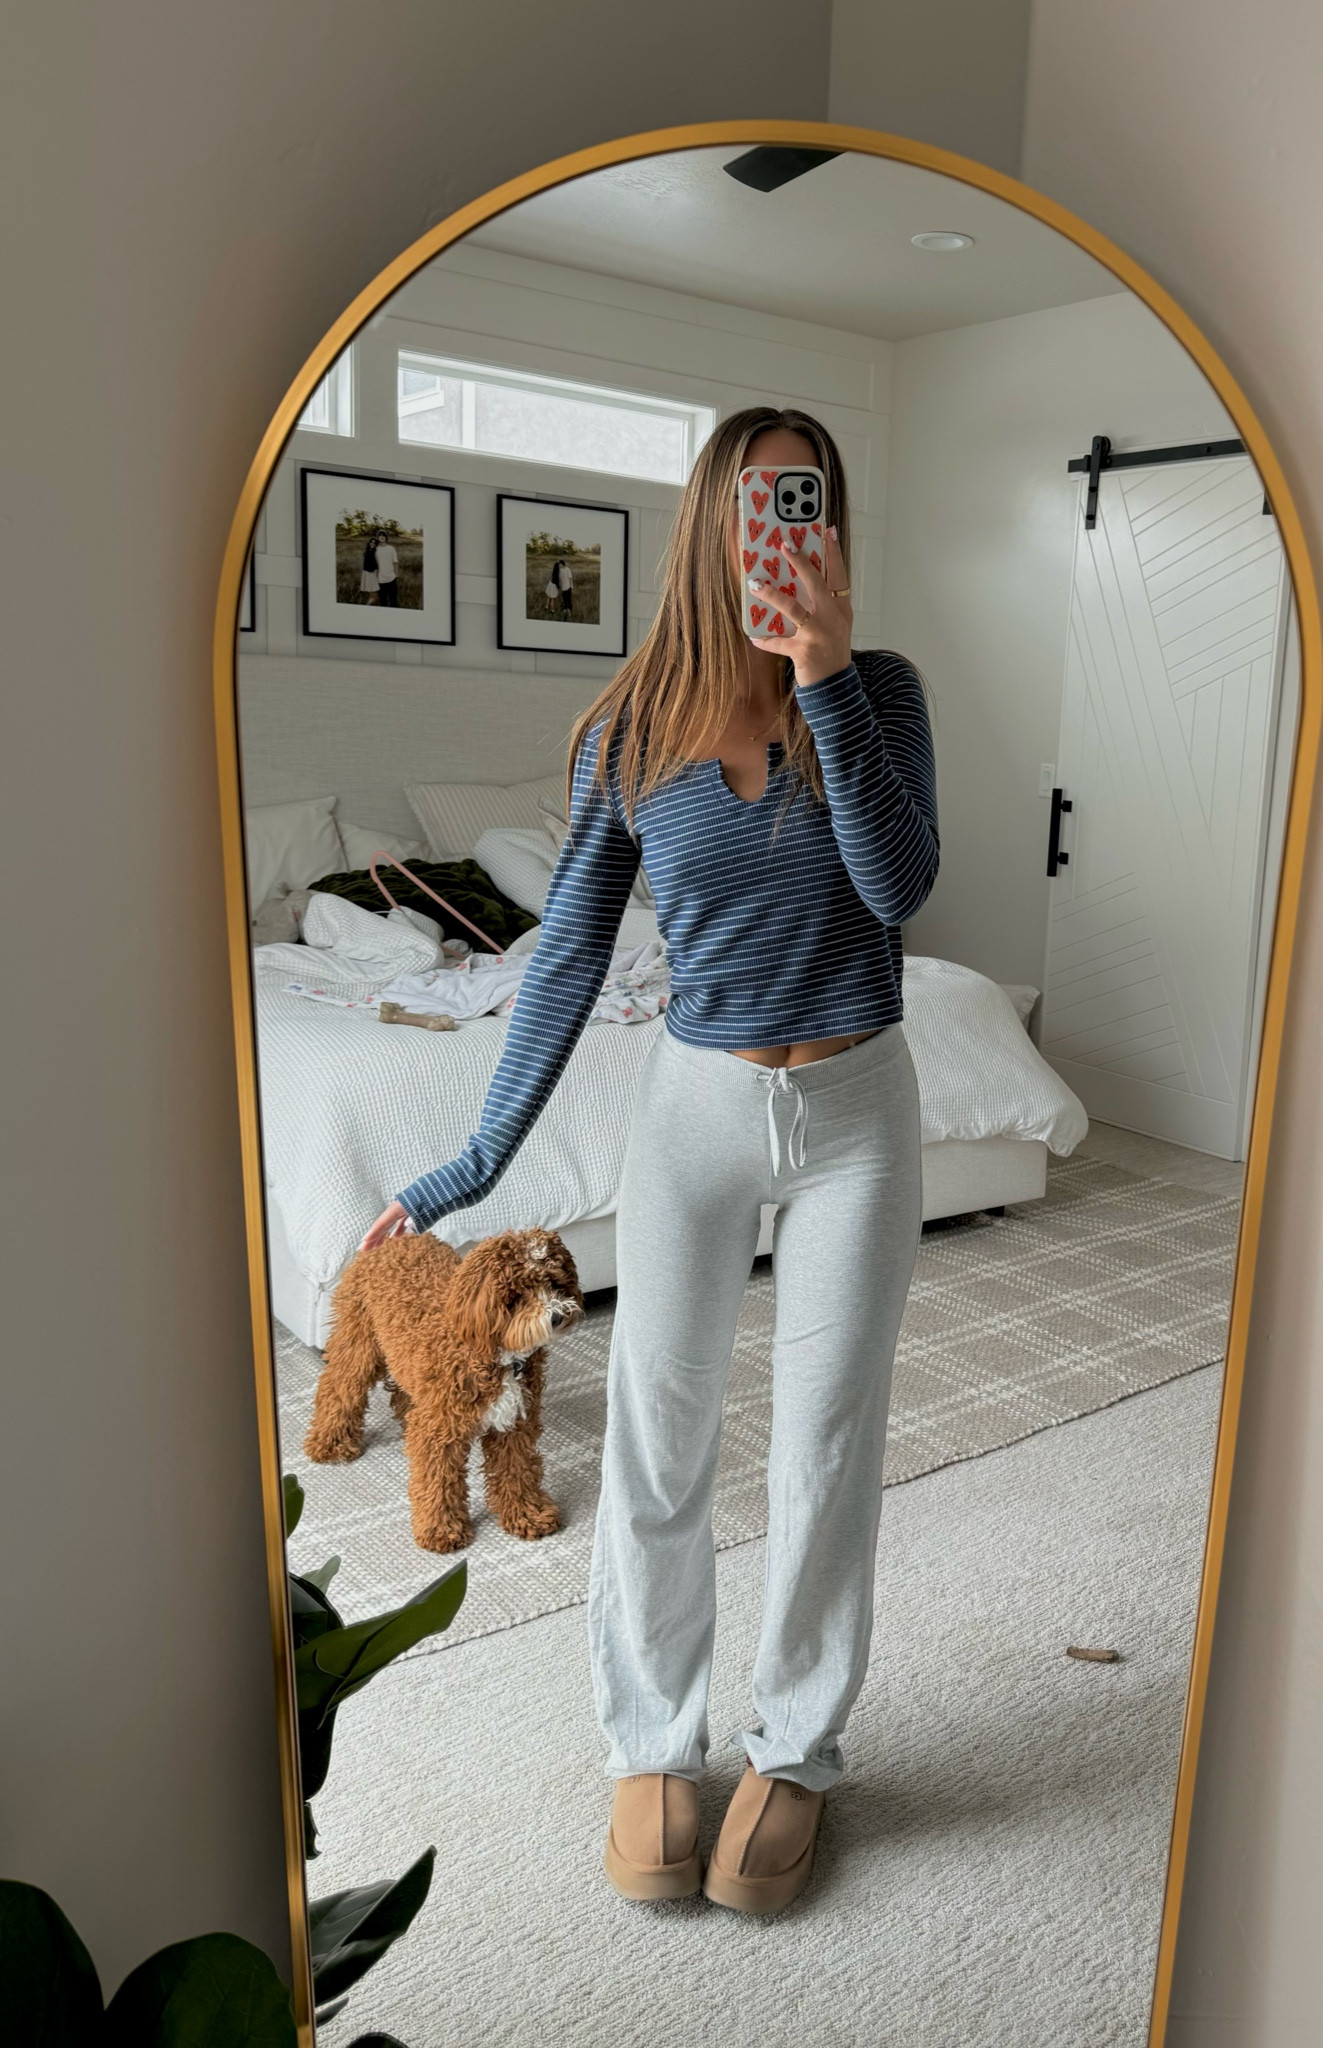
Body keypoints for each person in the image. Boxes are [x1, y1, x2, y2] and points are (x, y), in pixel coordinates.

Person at [360, 406, 939, 1917]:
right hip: (695, 1110)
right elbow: (563, 957)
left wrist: (825, 676)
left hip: (859, 1111)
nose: (781, 527)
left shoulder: (881, 690)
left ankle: (796, 1749)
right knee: (658, 1437)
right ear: (710, 524)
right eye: (757, 502)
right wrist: (470, 1163)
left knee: (825, 1446)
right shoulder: (626, 730)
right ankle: (653, 1739)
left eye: (805, 500)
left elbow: (899, 887)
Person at [374, 531, 399, 607]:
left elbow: (395, 562)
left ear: (386, 538)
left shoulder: (391, 548)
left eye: (384, 535)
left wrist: (395, 575)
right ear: (378, 538)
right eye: (380, 535)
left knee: (393, 601)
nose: (382, 537)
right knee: (383, 601)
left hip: (392, 579)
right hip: (380, 580)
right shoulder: (375, 550)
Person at [358, 531, 379, 604]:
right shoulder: (367, 551)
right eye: (371, 542)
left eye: (374, 543)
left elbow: (377, 564)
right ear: (369, 543)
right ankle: (371, 600)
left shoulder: (375, 552)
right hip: (366, 572)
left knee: (373, 589)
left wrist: (376, 573)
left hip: (372, 573)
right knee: (370, 589)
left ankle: (371, 601)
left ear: (376, 545)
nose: (372, 544)